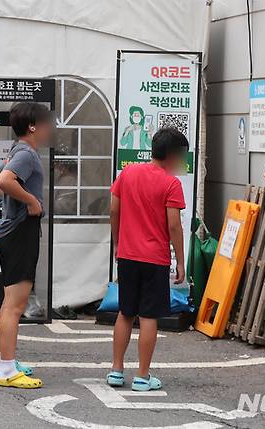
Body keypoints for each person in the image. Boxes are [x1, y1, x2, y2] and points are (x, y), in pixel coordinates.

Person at [107, 127, 187, 391]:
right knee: (149, 316)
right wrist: (181, 262)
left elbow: (113, 209)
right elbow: (174, 225)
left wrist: (119, 242)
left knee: (125, 312)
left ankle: (116, 371)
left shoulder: (128, 173)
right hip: (155, 258)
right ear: (173, 155)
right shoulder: (170, 183)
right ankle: (142, 376)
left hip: (127, 255)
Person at [0, 102, 53, 388]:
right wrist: (32, 201)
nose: (49, 128)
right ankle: (6, 369)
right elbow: (3, 180)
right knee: (15, 305)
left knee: (10, 302)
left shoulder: (18, 149)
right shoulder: (27, 153)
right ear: (33, 126)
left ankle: (5, 361)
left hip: (11, 231)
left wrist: (23, 197)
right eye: (46, 123)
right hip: (20, 233)